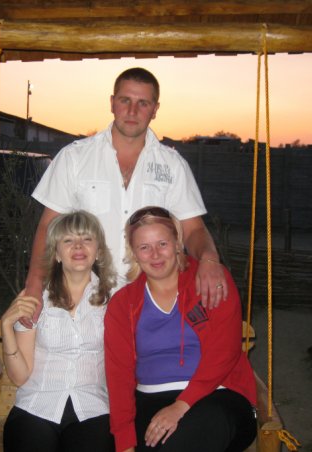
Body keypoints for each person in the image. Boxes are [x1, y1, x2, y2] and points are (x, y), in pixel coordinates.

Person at [23, 67, 226, 324]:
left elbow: (193, 229)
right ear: (112, 103)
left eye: (143, 103)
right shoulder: (74, 158)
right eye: (125, 100)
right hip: (80, 299)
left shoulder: (173, 166)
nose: (132, 111)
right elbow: (48, 227)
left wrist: (210, 259)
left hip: (149, 303)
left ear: (155, 109)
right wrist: (34, 284)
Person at [104, 206, 257, 452]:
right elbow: (118, 375)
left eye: (162, 243)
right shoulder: (123, 304)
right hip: (149, 398)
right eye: (144, 247)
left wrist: (181, 405)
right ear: (134, 253)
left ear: (177, 243)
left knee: (195, 432)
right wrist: (124, 443)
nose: (155, 254)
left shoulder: (210, 281)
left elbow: (224, 352)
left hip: (216, 394)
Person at [1, 210, 116, 452]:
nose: (78, 246)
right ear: (56, 254)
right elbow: (20, 377)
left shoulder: (114, 299)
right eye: (68, 240)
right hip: (36, 405)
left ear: (98, 251)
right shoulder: (36, 299)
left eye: (86, 238)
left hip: (92, 408)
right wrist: (6, 328)